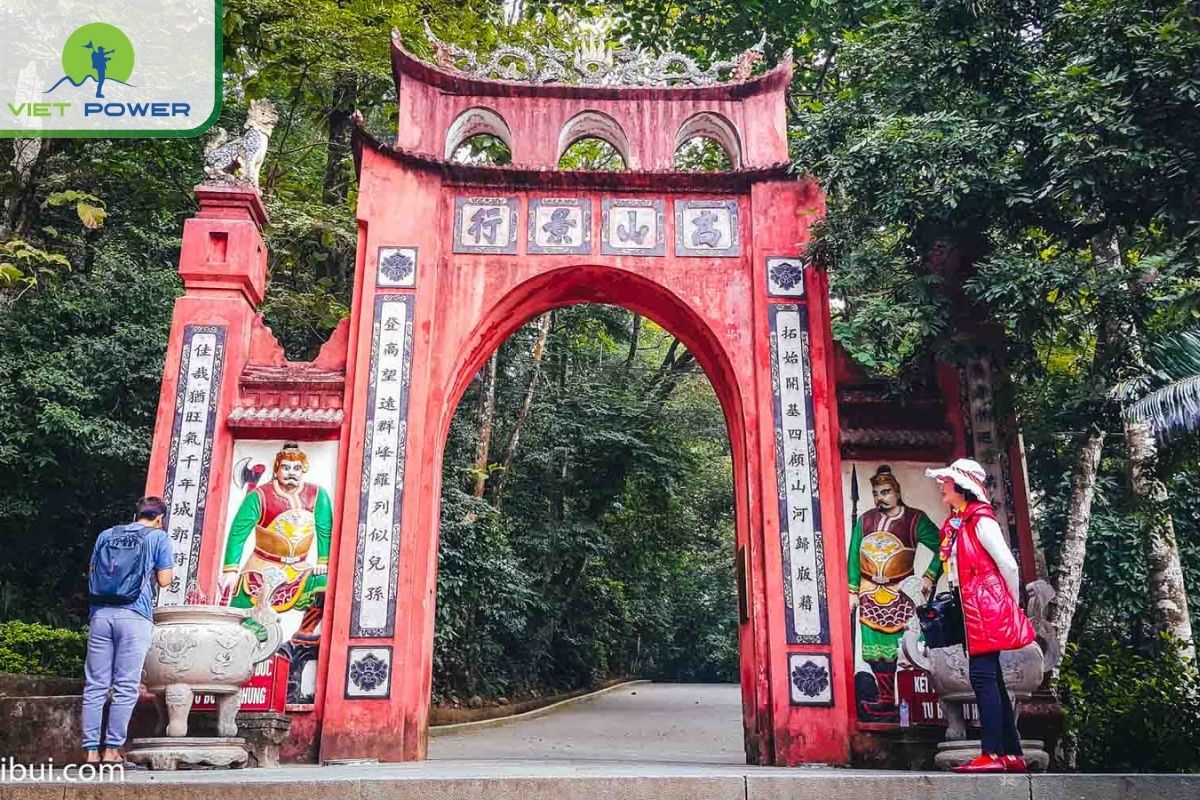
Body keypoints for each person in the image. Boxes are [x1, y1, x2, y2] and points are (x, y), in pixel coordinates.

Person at [925, 458, 1035, 774]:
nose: (941, 486)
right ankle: (1011, 753)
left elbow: (1008, 565)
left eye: (946, 481)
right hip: (972, 606)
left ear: (962, 487)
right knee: (993, 679)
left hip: (986, 607)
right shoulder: (960, 523)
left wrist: (1010, 604)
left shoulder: (981, 521)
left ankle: (992, 752)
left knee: (983, 677)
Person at [219, 442, 332, 702]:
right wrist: (231, 569)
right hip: (263, 564)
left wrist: (323, 559)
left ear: (303, 470)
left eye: (296, 468)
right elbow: (238, 533)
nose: (291, 472)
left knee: (325, 588)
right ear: (277, 469)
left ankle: (303, 638)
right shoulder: (259, 496)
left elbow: (325, 529)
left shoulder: (318, 496)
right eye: (285, 467)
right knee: (242, 605)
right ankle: (242, 652)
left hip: (300, 567)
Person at [82, 497, 174, 766]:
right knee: (125, 686)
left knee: (96, 685)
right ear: (160, 518)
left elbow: (92, 571)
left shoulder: (106, 534)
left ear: (137, 514)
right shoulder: (158, 537)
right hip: (135, 616)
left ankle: (89, 752)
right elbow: (165, 580)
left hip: (100, 615)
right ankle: (111, 751)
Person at [847, 465, 942, 722]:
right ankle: (886, 699)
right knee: (874, 651)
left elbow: (944, 546)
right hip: (869, 591)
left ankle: (907, 700)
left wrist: (930, 575)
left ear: (897, 492)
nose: (881, 498)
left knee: (903, 648)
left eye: (886, 491)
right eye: (877, 493)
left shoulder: (915, 519)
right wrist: (852, 591)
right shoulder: (864, 520)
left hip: (901, 591)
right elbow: (854, 557)